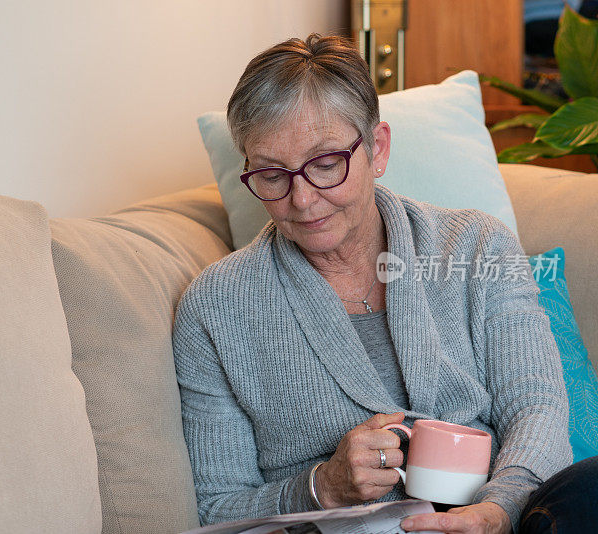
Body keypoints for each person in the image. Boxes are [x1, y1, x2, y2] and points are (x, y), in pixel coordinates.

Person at [172, 33, 598, 533]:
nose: (303, 200)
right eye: (271, 174)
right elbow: (218, 508)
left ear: (377, 148)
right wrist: (320, 487)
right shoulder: (214, 308)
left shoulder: (479, 247)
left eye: (327, 164)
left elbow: (536, 407)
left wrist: (497, 511)